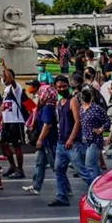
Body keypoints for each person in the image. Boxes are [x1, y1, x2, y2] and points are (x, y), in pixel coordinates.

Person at [49, 74, 83, 207]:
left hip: (72, 143)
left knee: (82, 171)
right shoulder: (60, 102)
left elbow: (77, 121)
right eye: (59, 87)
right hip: (61, 142)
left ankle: (99, 193)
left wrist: (71, 138)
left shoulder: (72, 100)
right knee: (59, 170)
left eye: (64, 86)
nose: (61, 89)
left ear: (68, 86)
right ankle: (62, 196)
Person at [22, 84, 59, 196]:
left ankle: (65, 188)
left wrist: (40, 139)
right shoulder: (46, 106)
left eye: (41, 93)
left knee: (55, 167)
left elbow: (47, 125)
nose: (39, 95)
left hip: (48, 141)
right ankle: (36, 186)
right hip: (45, 142)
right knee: (39, 163)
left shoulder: (47, 108)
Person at [0, 60, 27, 178]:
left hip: (16, 121)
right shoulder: (5, 90)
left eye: (5, 75)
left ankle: (20, 169)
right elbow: (4, 105)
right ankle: (12, 166)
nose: (3, 78)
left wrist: (4, 66)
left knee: (16, 146)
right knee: (3, 144)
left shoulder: (16, 88)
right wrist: (1, 119)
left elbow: (11, 80)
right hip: (7, 122)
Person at [77, 87, 107, 186]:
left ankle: (95, 186)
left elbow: (107, 121)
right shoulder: (80, 108)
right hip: (84, 140)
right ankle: (100, 183)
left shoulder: (97, 109)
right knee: (93, 165)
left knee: (90, 165)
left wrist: (101, 130)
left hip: (94, 140)